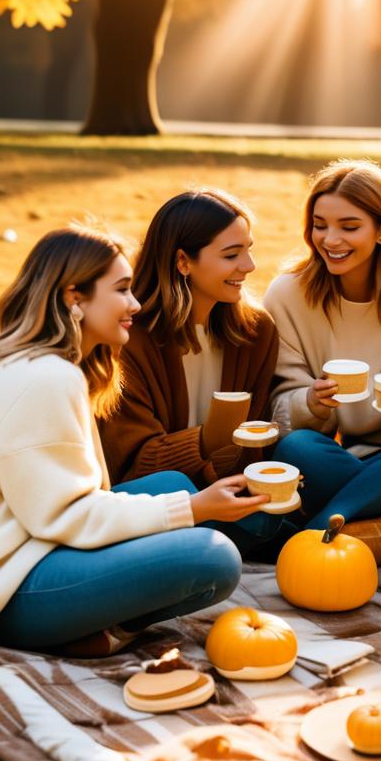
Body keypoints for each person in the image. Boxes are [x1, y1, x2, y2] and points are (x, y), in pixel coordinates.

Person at [0, 224, 248, 656]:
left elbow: (62, 504)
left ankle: (92, 629)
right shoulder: (46, 378)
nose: (135, 303)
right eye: (123, 290)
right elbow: (64, 515)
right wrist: (197, 509)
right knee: (213, 558)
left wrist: (188, 503)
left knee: (173, 486)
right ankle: (72, 632)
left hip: (12, 545)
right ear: (75, 298)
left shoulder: (39, 363)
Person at [265, 160, 381, 529]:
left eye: (349, 227)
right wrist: (310, 402)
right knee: (295, 447)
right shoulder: (288, 294)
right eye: (320, 226)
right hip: (322, 458)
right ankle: (360, 516)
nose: (330, 240)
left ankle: (311, 530)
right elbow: (278, 403)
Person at [100, 188, 283, 556]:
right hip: (151, 501)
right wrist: (206, 442)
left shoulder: (257, 332)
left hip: (228, 493)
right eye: (232, 254)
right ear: (183, 262)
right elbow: (134, 469)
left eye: (248, 249)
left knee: (271, 511)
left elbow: (255, 441)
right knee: (174, 482)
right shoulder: (127, 339)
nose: (248, 266)